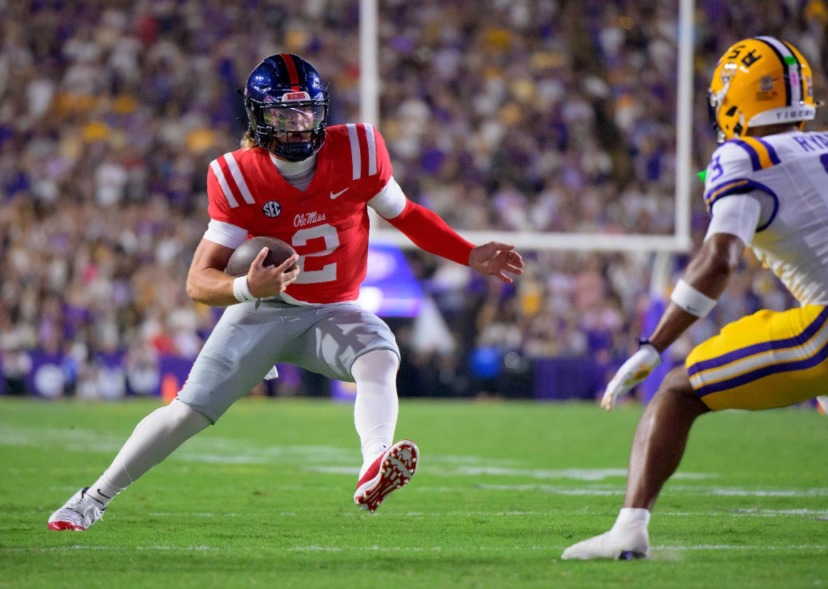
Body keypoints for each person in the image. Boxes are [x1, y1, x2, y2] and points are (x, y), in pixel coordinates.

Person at [48, 53, 523, 531]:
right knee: (187, 414)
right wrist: (245, 286)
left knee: (380, 356)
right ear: (259, 117)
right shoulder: (237, 176)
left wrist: (467, 253)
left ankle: (373, 465)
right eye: (282, 114)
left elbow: (406, 214)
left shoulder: (358, 150)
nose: (297, 125)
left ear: (322, 112)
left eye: (306, 112)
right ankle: (92, 498)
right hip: (265, 309)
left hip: (334, 308)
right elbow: (198, 281)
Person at [562, 36, 828, 560]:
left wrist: (653, 343)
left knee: (676, 391)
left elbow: (720, 259)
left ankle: (628, 529)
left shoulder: (744, 154)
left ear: (737, 97)